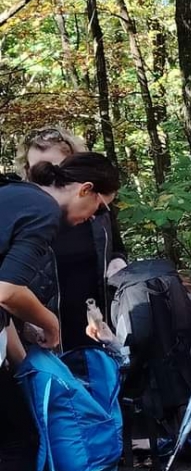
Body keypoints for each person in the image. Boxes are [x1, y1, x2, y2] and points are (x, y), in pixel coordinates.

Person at [0, 152, 119, 471]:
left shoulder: (13, 196)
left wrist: (22, 345)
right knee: (16, 445)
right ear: (84, 190)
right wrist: (50, 323)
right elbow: (7, 290)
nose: (94, 218)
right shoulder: (44, 213)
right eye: (100, 207)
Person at [15, 127, 127, 351]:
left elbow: (117, 250)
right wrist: (24, 321)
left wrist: (118, 263)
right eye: (38, 169)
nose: (48, 177)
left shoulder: (99, 208)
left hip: (96, 320)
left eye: (56, 168)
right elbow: (8, 288)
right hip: (44, 332)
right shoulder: (22, 215)